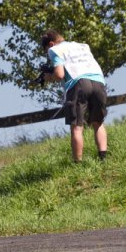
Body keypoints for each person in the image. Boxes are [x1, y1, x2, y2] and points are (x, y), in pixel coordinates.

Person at [40, 29, 108, 162]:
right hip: (99, 81)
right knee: (98, 122)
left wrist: (49, 76)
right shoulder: (83, 46)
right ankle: (103, 158)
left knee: (77, 127)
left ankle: (78, 164)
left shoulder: (54, 50)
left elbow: (59, 75)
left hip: (78, 84)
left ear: (51, 44)